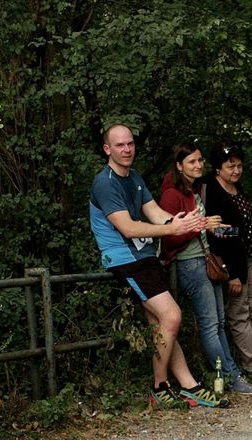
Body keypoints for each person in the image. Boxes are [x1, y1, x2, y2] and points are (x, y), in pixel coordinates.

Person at [88, 123, 224, 408]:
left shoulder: (134, 176)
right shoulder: (105, 183)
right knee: (172, 316)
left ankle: (188, 385)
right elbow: (128, 228)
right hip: (125, 259)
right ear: (107, 149)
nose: (127, 149)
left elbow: (156, 213)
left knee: (161, 323)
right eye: (120, 145)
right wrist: (172, 229)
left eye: (130, 143)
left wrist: (183, 222)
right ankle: (159, 387)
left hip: (144, 256)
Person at [159, 142, 252, 397]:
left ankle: (230, 375)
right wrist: (202, 225)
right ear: (179, 166)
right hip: (189, 264)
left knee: (219, 323)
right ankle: (230, 376)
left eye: (200, 160)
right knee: (210, 325)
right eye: (192, 161)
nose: (198, 165)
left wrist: (215, 229)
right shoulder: (172, 194)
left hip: (206, 261)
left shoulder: (194, 190)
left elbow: (206, 230)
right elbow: (169, 237)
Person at [203, 141, 252, 383]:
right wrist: (232, 273)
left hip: (243, 257)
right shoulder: (212, 190)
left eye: (239, 165)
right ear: (218, 167)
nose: (236, 170)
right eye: (230, 166)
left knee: (249, 311)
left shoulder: (236, 187)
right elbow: (216, 234)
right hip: (229, 264)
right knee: (238, 314)